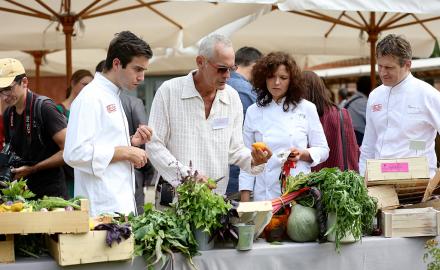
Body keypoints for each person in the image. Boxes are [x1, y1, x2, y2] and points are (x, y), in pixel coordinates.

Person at [146, 34, 272, 197]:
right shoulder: (169, 91)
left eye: (231, 69)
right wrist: (187, 176)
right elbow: (154, 145)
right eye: (221, 69)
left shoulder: (232, 97)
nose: (227, 75)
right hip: (174, 199)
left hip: (214, 201)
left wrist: (254, 160)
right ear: (200, 62)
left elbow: (235, 149)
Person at [63, 31, 153, 217]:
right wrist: (125, 151)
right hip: (101, 210)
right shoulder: (90, 97)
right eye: (137, 69)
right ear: (117, 63)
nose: (142, 77)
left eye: (144, 71)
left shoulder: (112, 94)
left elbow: (103, 142)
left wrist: (130, 143)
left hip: (118, 206)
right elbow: (73, 153)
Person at [239, 52, 329, 202]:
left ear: (292, 80)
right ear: (263, 78)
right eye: (271, 77)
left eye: (283, 78)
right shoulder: (253, 111)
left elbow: (323, 149)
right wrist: (245, 200)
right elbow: (246, 159)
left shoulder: (306, 108)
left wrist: (302, 153)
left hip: (297, 193)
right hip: (264, 195)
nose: (276, 83)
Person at [359, 34, 440, 177]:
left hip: (418, 180)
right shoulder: (374, 96)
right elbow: (369, 144)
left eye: (389, 67)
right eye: (380, 66)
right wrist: (362, 176)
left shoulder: (428, 94)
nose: (383, 73)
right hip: (379, 178)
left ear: (407, 65)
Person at [0, 58, 68, 198]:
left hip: (53, 197)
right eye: (0, 91)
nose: (4, 97)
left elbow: (70, 151)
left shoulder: (45, 108)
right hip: (23, 195)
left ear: (24, 82)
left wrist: (33, 168)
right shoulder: (8, 114)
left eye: (8, 89)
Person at [303, 70, 359, 172]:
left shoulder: (299, 117)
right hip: (337, 182)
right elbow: (352, 151)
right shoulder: (341, 114)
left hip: (305, 181)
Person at [226, 46, 263, 196]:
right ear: (255, 66)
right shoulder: (246, 91)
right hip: (240, 173)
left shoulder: (221, 84)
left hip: (221, 173)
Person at [56, 69, 93, 198]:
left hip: (85, 165)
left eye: (90, 85)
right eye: (84, 84)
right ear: (73, 83)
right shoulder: (59, 110)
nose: (88, 87)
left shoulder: (90, 109)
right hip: (66, 168)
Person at [343, 76, 369, 146]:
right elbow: (372, 122)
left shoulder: (348, 100)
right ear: (369, 88)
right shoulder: (363, 102)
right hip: (358, 139)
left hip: (347, 137)